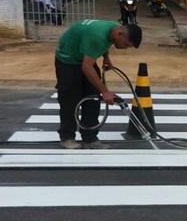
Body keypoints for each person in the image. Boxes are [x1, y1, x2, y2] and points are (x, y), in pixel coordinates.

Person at [54, 20, 142, 149]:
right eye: (125, 44)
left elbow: (104, 44)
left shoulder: (113, 29)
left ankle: (90, 138)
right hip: (68, 60)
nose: (124, 48)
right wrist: (105, 91)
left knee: (93, 98)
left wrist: (106, 57)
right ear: (120, 34)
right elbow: (86, 66)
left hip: (85, 58)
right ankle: (67, 137)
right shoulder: (96, 35)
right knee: (70, 99)